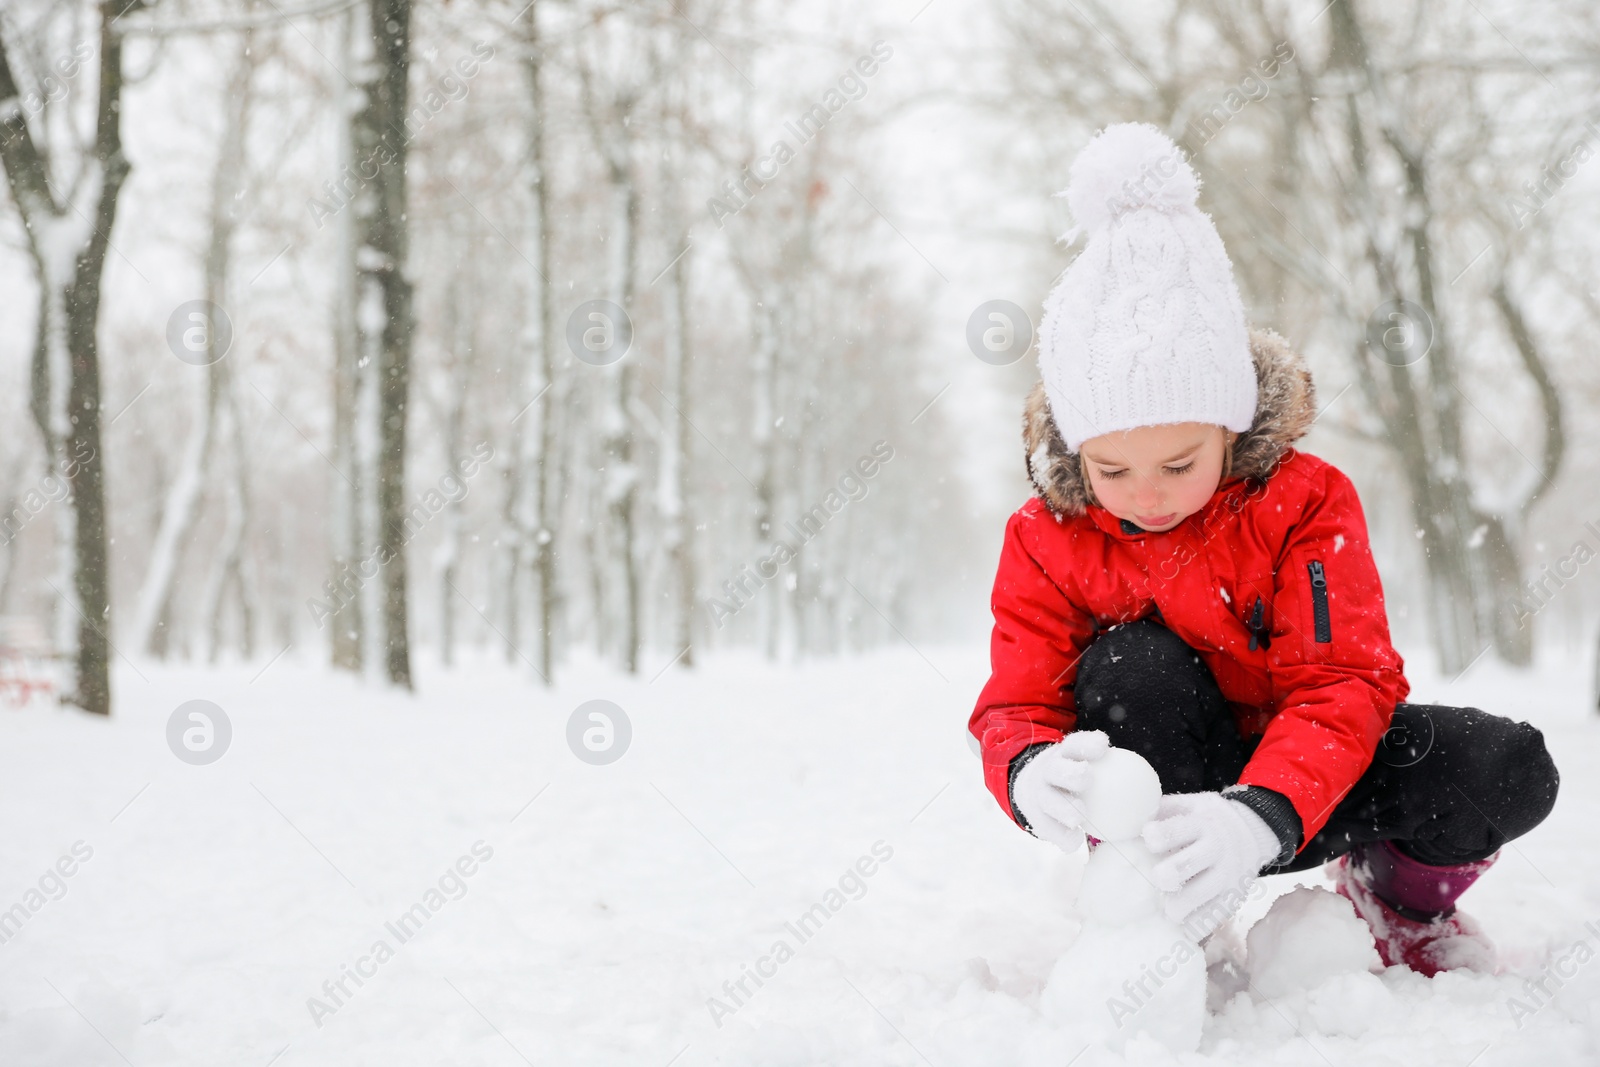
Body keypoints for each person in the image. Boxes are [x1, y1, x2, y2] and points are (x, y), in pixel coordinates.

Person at [968, 122, 1559, 976]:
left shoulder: (1305, 500)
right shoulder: (1045, 536)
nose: (1148, 494)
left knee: (1504, 766)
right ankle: (1161, 912)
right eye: (1112, 468)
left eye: (1179, 462)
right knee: (1131, 666)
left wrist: (1263, 811)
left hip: (1311, 780)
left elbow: (1346, 679)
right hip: (1169, 805)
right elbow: (1017, 698)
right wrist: (1027, 771)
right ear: (1073, 449)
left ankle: (1395, 902)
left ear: (1233, 425)